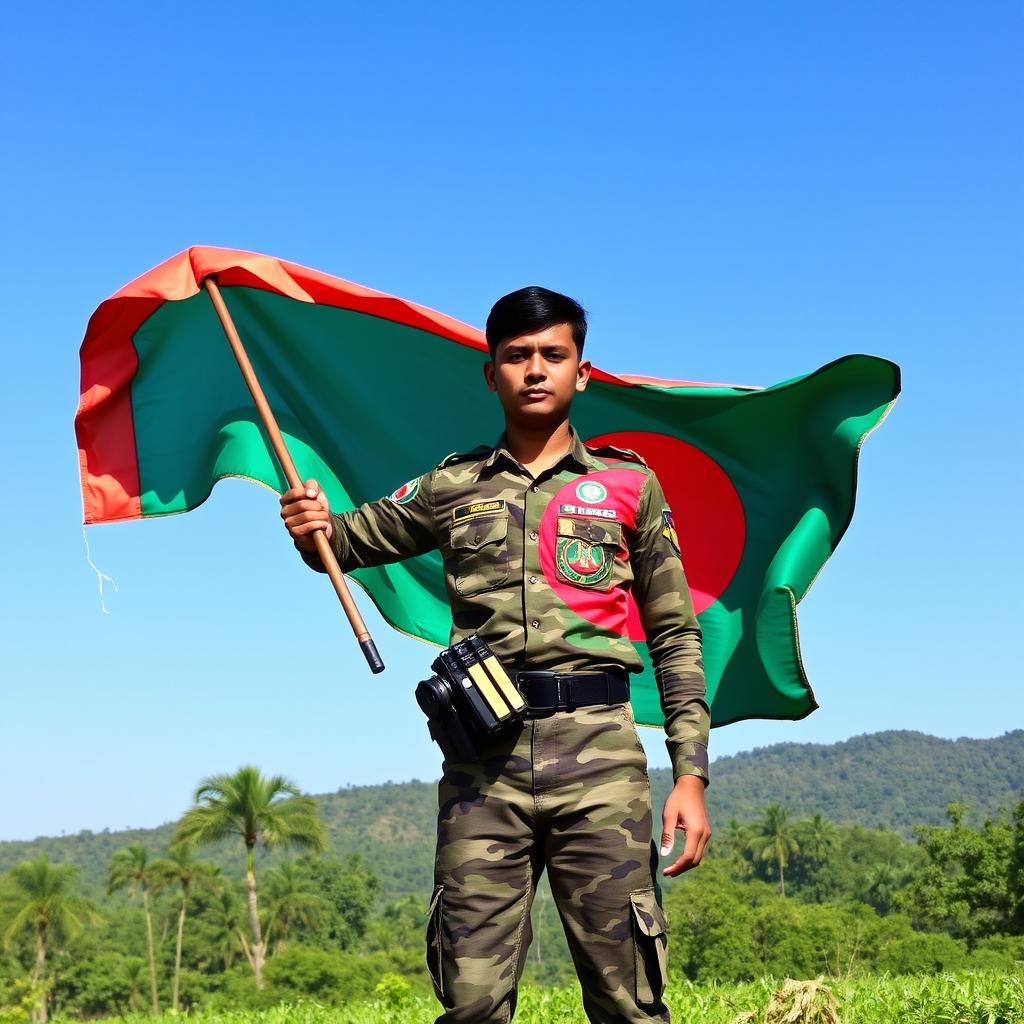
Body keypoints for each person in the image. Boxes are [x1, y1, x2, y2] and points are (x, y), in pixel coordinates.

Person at [279, 286, 711, 1023]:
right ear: (491, 374)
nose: (534, 369)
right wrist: (308, 524)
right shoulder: (452, 486)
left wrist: (691, 773)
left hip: (602, 763)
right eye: (516, 356)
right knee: (471, 1003)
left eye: (553, 354)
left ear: (582, 372)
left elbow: (674, 633)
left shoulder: (629, 485)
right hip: (485, 767)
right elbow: (343, 545)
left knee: (628, 1001)